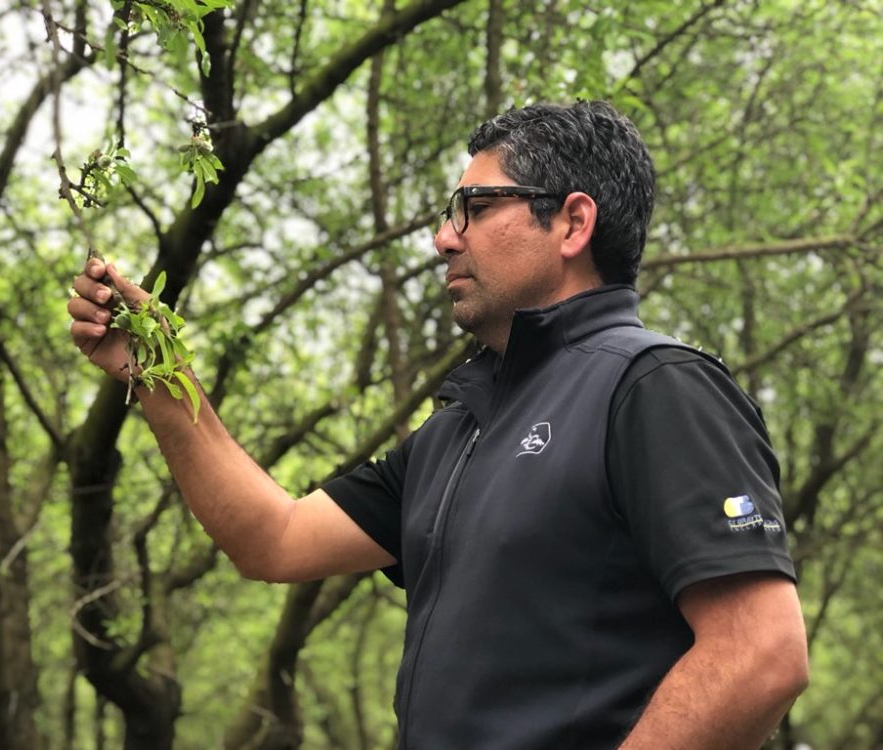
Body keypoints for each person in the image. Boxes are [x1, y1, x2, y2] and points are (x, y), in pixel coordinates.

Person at [69, 100, 808, 749]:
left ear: (573, 222)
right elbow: (273, 538)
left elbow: (760, 654)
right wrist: (160, 377)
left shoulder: (654, 387)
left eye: (475, 208)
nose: (443, 239)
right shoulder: (459, 431)